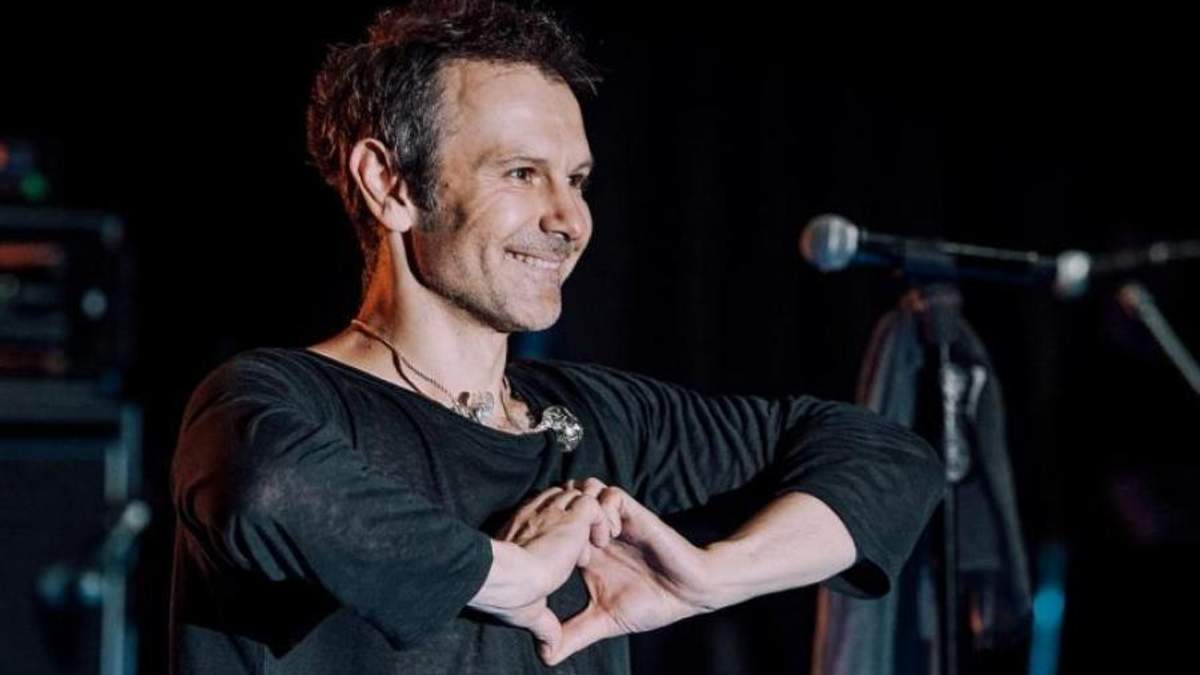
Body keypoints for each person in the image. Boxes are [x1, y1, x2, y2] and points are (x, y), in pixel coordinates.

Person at [169, 2, 944, 673]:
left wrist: (713, 575)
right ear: (391, 183)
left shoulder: (606, 420)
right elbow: (262, 486)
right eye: (520, 173)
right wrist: (510, 574)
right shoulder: (280, 400)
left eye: (575, 179)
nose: (570, 220)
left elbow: (886, 458)